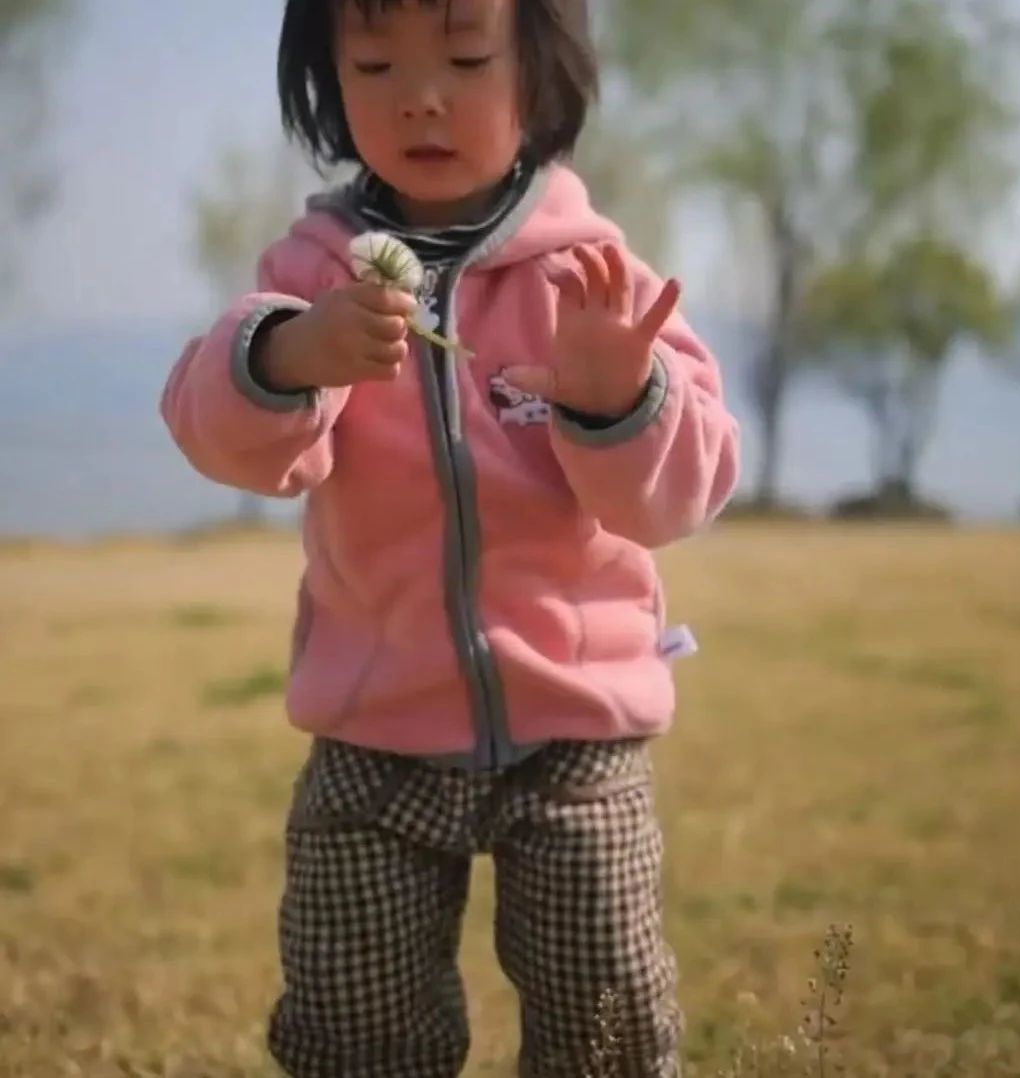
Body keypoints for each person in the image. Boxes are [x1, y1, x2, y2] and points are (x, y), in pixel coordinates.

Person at [160, 0, 740, 1074]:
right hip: (374, 729)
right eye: (374, 64)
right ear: (327, 83)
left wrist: (622, 399)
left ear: (541, 72)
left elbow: (682, 496)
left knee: (602, 1018)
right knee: (353, 1023)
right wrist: (288, 356)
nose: (420, 95)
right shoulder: (313, 274)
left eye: (466, 55)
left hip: (577, 732)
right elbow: (212, 427)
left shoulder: (595, 276)